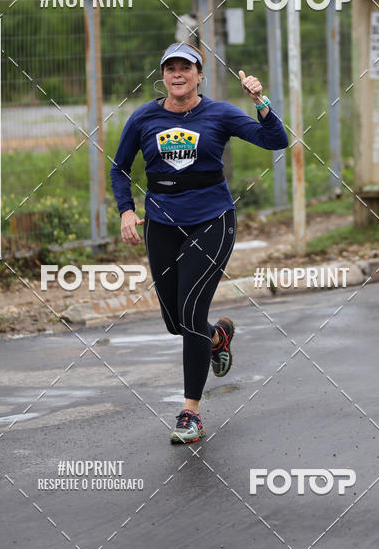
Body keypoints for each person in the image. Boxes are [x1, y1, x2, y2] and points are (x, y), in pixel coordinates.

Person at [110, 41, 289, 444]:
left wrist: (261, 101)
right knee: (175, 322)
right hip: (161, 223)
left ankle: (190, 413)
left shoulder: (220, 113)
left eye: (185, 68)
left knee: (191, 311)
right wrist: (125, 209)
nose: (178, 74)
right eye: (170, 67)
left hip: (212, 220)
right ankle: (216, 337)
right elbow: (119, 168)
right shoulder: (144, 118)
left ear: (199, 75)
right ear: (163, 75)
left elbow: (275, 140)